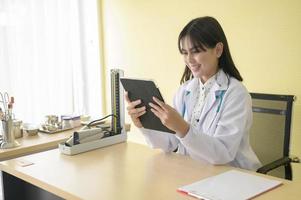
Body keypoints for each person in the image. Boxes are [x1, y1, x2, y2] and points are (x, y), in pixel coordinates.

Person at [125, 16, 261, 170]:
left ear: (218, 50)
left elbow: (222, 154)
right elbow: (170, 143)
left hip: (233, 175)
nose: (189, 59)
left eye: (195, 51)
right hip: (193, 172)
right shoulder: (185, 91)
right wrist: (142, 123)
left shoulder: (236, 94)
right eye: (184, 53)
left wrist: (183, 128)